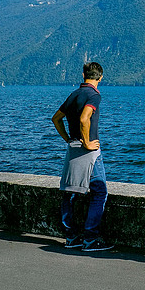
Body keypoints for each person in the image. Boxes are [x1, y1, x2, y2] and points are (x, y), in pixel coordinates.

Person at [51, 61, 113, 252]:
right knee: (99, 192)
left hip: (73, 148)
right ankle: (90, 239)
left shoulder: (75, 94)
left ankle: (71, 237)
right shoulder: (93, 95)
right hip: (89, 151)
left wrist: (68, 138)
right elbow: (84, 118)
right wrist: (87, 142)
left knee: (70, 193)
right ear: (100, 77)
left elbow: (56, 118)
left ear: (84, 75)